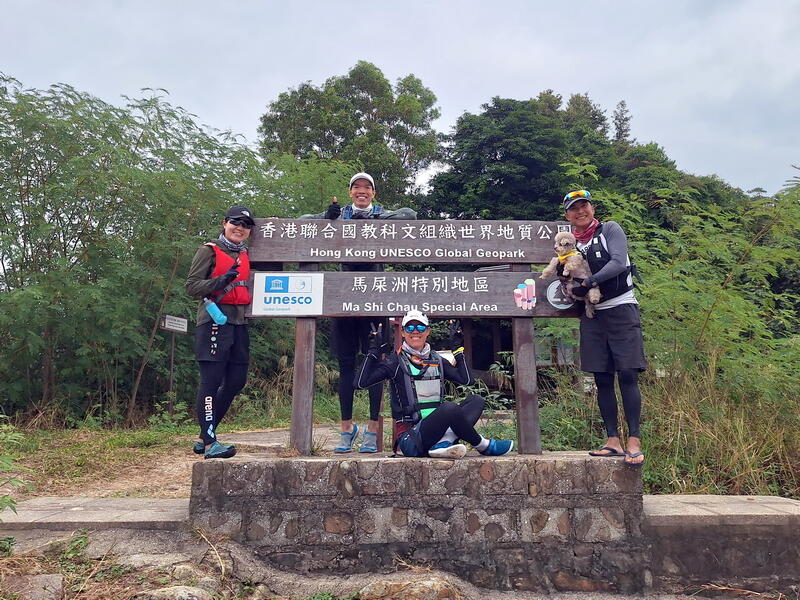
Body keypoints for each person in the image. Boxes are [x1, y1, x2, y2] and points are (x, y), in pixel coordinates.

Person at [302, 172, 416, 453]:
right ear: (350, 192)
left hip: (375, 300)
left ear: (373, 193)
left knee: (376, 364)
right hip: (344, 301)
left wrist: (375, 220)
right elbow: (302, 222)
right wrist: (327, 218)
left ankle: (372, 430)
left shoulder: (381, 215)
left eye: (367, 187)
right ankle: (346, 429)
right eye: (357, 187)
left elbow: (410, 215)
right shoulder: (340, 215)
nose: (361, 191)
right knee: (346, 365)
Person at [354, 310, 514, 458]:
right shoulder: (395, 361)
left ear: (428, 331)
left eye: (420, 327)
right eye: (409, 328)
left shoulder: (436, 359)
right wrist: (372, 353)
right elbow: (360, 383)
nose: (415, 331)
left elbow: (467, 381)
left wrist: (458, 350)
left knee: (476, 401)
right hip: (411, 440)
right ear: (402, 332)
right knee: (449, 408)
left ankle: (442, 443)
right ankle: (483, 445)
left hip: (438, 431)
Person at [562, 189, 647, 466]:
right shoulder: (569, 243)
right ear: (567, 215)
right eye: (574, 209)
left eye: (584, 206)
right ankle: (612, 440)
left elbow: (618, 262)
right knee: (602, 377)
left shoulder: (610, 229)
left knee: (628, 373)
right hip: (592, 315)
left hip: (621, 308)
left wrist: (589, 282)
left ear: (592, 209)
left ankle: (634, 440)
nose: (580, 211)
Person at [185, 205, 255, 459]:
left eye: (246, 225)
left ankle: (204, 437)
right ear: (224, 223)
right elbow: (192, 286)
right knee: (211, 381)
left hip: (239, 323)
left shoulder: (246, 253)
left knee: (236, 381)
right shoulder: (209, 250)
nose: (240, 228)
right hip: (213, 321)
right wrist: (221, 280)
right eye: (236, 222)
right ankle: (210, 443)